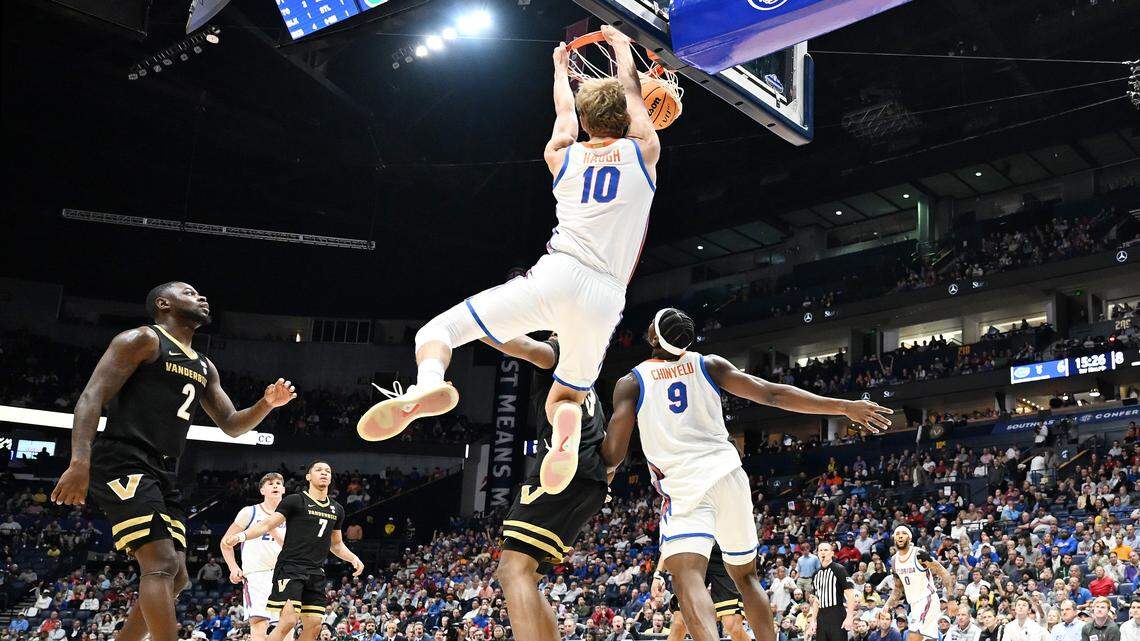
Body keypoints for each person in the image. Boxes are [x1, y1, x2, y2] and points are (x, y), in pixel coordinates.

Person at [359, 24, 661, 497]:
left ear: (584, 121)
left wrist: (560, 68)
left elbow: (564, 111)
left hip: (556, 274)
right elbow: (632, 94)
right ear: (623, 118)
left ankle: (427, 384)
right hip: (605, 294)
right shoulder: (645, 150)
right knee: (569, 393)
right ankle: (564, 437)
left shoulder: (561, 154)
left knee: (437, 333)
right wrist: (625, 52)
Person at [602, 307, 891, 641]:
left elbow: (614, 454)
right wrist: (843, 406)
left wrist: (602, 480)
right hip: (727, 475)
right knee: (747, 577)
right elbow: (773, 393)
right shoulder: (708, 364)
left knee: (686, 578)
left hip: (683, 487)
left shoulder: (631, 382)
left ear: (653, 336)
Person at [50, 281, 297, 641]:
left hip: (164, 470)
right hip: (123, 459)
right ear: (164, 303)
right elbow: (91, 397)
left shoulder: (204, 364)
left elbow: (230, 424)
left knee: (178, 574)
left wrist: (266, 405)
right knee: (161, 564)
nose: (202, 297)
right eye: (189, 292)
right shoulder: (141, 340)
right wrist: (79, 462)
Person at [486, 333, 609, 641]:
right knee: (527, 575)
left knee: (511, 570)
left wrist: (472, 325)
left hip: (560, 476)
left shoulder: (561, 353)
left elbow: (525, 347)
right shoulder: (588, 381)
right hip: (592, 483)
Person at [223, 461, 364, 641]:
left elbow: (336, 544)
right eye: (318, 470)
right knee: (288, 620)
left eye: (327, 471)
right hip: (290, 568)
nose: (324, 473)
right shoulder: (295, 500)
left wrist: (353, 558)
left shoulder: (337, 509)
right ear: (308, 476)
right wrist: (241, 536)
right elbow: (266, 524)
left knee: (314, 625)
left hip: (315, 571)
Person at [220, 472, 292, 641]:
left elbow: (293, 548)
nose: (274, 485)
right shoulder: (249, 512)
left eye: (278, 483)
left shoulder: (293, 515)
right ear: (262, 490)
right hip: (256, 574)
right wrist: (233, 567)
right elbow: (225, 542)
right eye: (270, 483)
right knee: (259, 623)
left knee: (287, 623)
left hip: (285, 574)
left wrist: (271, 529)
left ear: (283, 489)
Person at [883, 525, 956, 641]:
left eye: (904, 533)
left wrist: (951, 598)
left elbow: (944, 573)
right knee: (929, 639)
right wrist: (887, 605)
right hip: (914, 604)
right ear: (894, 538)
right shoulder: (894, 560)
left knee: (912, 638)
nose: (900, 536)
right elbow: (898, 589)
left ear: (910, 538)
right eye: (897, 534)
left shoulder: (918, 554)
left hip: (927, 599)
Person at [664, 545, 749, 641]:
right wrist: (658, 573)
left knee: (732, 625)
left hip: (725, 554)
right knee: (680, 622)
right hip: (696, 552)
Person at [807, 542, 856, 641]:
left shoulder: (839, 569)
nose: (823, 553)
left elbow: (850, 594)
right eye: (820, 550)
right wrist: (813, 621)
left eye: (826, 550)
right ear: (817, 554)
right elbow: (817, 600)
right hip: (821, 616)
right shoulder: (816, 574)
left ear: (832, 553)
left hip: (836, 614)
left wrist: (849, 617)